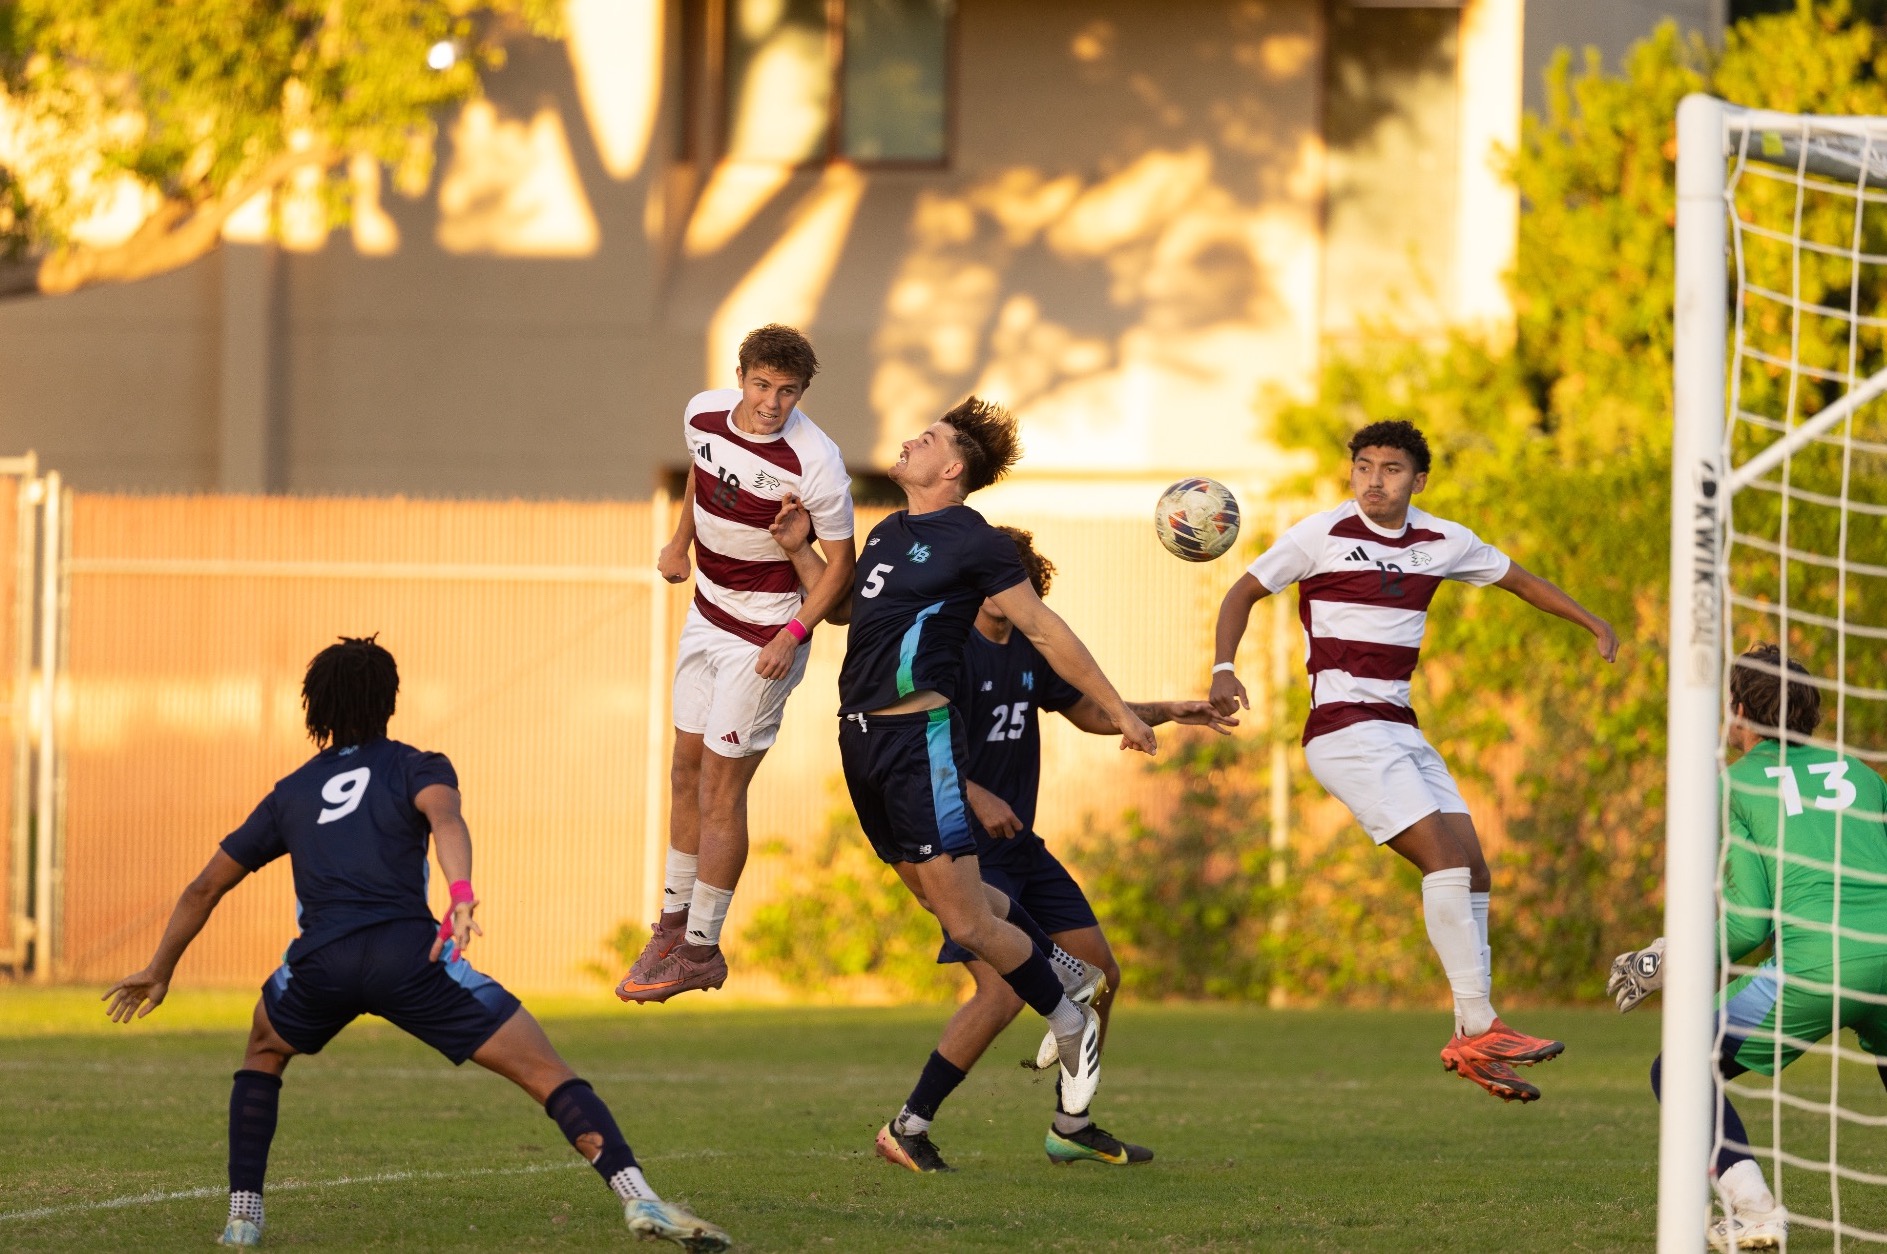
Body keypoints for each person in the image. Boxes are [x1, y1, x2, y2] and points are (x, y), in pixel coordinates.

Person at [103, 637, 728, 1251]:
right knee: (545, 1071)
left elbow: (202, 888)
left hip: (321, 963)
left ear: (313, 707)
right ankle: (636, 1194)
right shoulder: (417, 765)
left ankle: (242, 1219)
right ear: (388, 702)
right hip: (414, 959)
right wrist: (460, 893)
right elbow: (445, 820)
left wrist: (160, 970)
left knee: (263, 1049)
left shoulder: (291, 792)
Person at [774, 396, 1158, 1169]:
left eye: (930, 438)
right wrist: (796, 551)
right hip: (861, 740)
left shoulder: (974, 540)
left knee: (970, 924)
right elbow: (850, 611)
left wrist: (1119, 708)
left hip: (920, 739)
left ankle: (1067, 1012)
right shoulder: (889, 531)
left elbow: (1047, 630)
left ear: (951, 469)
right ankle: (1069, 977)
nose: (911, 441)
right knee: (949, 902)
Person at [1210, 419, 1619, 1102]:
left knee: (1475, 866)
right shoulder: (1321, 534)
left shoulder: (1442, 540)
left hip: (1401, 728)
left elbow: (1519, 580)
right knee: (1445, 861)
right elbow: (1241, 592)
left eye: (1391, 468)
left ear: (1417, 480)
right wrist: (1223, 667)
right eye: (1363, 466)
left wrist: (1591, 622)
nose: (1374, 479)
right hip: (1344, 730)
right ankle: (1483, 1022)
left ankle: (1470, 1036)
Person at [905, 524, 1235, 1170]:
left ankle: (1070, 1124)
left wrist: (1169, 708)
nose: (1007, 587)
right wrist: (975, 793)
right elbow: (914, 746)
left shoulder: (1029, 649)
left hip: (1021, 848)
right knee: (1000, 993)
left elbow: (1084, 709)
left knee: (1101, 976)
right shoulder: (946, 650)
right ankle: (908, 1125)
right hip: (959, 848)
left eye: (1019, 578)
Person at [1609, 645, 1887, 1252]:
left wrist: (1664, 960)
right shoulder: (1864, 775)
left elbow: (1747, 925)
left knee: (1681, 1068)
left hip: (1815, 965)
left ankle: (1756, 1212)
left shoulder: (1735, 782)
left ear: (1737, 710)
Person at [617, 324, 857, 1004]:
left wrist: (791, 633)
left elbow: (841, 570)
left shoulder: (817, 463)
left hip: (765, 632)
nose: (771, 403)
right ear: (740, 376)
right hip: (706, 612)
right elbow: (702, 473)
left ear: (801, 394)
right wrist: (676, 542)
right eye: (761, 385)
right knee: (682, 768)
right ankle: (669, 924)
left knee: (722, 788)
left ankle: (700, 950)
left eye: (787, 392)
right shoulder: (701, 412)